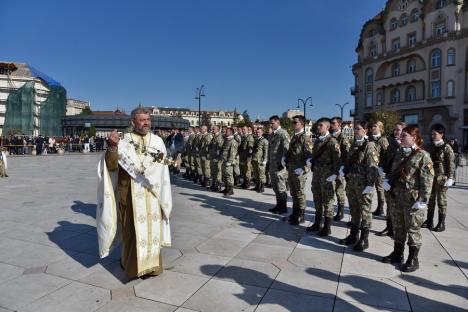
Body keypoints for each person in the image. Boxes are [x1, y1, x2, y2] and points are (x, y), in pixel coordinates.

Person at [98, 107, 172, 278]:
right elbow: (111, 166)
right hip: (130, 194)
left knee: (152, 232)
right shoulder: (123, 141)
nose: (146, 123)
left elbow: (162, 171)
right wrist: (112, 148)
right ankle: (131, 266)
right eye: (142, 120)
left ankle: (152, 267)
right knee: (131, 231)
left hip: (152, 195)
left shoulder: (157, 142)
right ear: (133, 122)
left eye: (148, 119)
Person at [382, 126, 434, 272]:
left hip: (412, 200)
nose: (401, 137)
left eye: (404, 135)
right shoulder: (399, 152)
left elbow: (427, 179)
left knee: (412, 228)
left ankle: (413, 259)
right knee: (398, 226)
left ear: (414, 137)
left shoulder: (423, 155)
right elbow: (394, 172)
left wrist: (423, 200)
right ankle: (397, 254)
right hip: (397, 197)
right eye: (401, 135)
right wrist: (388, 182)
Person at [339, 121, 379, 251]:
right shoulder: (354, 144)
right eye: (355, 129)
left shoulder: (370, 146)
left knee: (365, 212)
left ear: (365, 130)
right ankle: (353, 236)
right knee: (354, 210)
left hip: (363, 185)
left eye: (358, 129)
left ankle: (364, 239)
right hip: (352, 184)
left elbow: (372, 167)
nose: (355, 131)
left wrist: (370, 184)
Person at [306, 117, 340, 236]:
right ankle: (317, 223)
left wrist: (335, 174)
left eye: (320, 125)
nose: (318, 127)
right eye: (318, 125)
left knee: (328, 201)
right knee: (317, 198)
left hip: (327, 176)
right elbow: (314, 155)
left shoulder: (332, 141)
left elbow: (337, 160)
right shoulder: (317, 140)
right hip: (317, 174)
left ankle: (327, 227)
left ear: (327, 127)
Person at [423, 124, 455, 232]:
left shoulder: (447, 147)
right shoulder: (429, 146)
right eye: (432, 133)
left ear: (442, 134)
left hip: (442, 178)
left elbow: (451, 164)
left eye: (435, 134)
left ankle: (441, 223)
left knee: (441, 201)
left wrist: (451, 178)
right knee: (430, 200)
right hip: (430, 177)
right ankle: (429, 220)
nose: (432, 136)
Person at [376, 122, 405, 237]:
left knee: (399, 206)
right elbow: (385, 157)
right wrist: (382, 167)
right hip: (389, 178)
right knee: (389, 203)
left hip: (400, 181)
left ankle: (399, 230)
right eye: (395, 129)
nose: (396, 132)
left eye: (398, 130)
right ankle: (389, 228)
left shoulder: (407, 146)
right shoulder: (391, 143)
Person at [286, 116, 313, 225]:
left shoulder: (305, 138)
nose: (293, 124)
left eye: (295, 122)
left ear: (301, 124)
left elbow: (309, 157)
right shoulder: (294, 137)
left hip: (300, 170)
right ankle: (295, 213)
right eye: (292, 122)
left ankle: (301, 215)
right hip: (292, 168)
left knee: (300, 193)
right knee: (293, 192)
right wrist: (285, 158)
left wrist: (303, 169)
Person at [268, 115, 290, 214]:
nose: (271, 125)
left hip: (280, 165)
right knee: (275, 186)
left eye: (272, 123)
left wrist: (283, 162)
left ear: (278, 122)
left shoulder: (283, 134)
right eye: (270, 123)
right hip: (272, 165)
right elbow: (270, 150)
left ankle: (283, 207)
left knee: (281, 186)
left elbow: (286, 149)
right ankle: (278, 205)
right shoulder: (272, 134)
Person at [330, 117, 351, 221]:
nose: (331, 124)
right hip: (329, 168)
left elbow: (346, 154)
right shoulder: (329, 136)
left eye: (334, 123)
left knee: (339, 189)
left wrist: (343, 168)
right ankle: (329, 209)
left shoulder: (342, 137)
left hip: (338, 168)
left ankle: (340, 211)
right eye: (331, 123)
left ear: (339, 124)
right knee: (330, 189)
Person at [369, 121, 389, 216]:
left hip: (379, 168)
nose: (373, 127)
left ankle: (380, 208)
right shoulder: (369, 139)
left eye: (375, 126)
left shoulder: (383, 140)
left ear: (380, 128)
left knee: (379, 188)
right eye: (372, 126)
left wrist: (383, 168)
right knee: (369, 187)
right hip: (370, 168)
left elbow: (385, 155)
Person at [221, 127, 238, 196]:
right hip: (224, 160)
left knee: (229, 175)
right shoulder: (226, 140)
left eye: (227, 131)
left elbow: (232, 153)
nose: (225, 132)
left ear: (231, 132)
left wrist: (230, 161)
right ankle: (226, 188)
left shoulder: (233, 141)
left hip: (229, 162)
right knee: (224, 175)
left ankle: (231, 190)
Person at [251, 127, 269, 193]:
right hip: (254, 159)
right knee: (256, 174)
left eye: (259, 132)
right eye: (257, 132)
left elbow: (266, 151)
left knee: (261, 174)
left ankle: (262, 187)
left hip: (260, 160)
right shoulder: (255, 139)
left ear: (262, 133)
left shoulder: (265, 141)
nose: (257, 133)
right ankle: (257, 185)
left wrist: (265, 160)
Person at [209, 125, 225, 192]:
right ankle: (214, 184)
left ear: (218, 130)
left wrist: (219, 156)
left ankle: (218, 186)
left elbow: (220, 147)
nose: (212, 130)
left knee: (218, 172)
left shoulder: (219, 137)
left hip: (217, 157)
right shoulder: (214, 136)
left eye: (214, 129)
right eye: (212, 129)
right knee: (213, 171)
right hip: (213, 156)